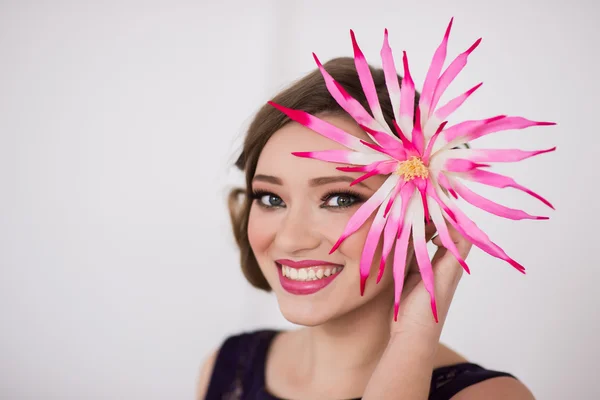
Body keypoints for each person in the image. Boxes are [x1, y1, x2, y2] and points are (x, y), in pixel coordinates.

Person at [196, 57, 535, 399]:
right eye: (271, 199)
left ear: (425, 214)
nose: (290, 238)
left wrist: (413, 338)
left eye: (340, 199)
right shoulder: (227, 369)